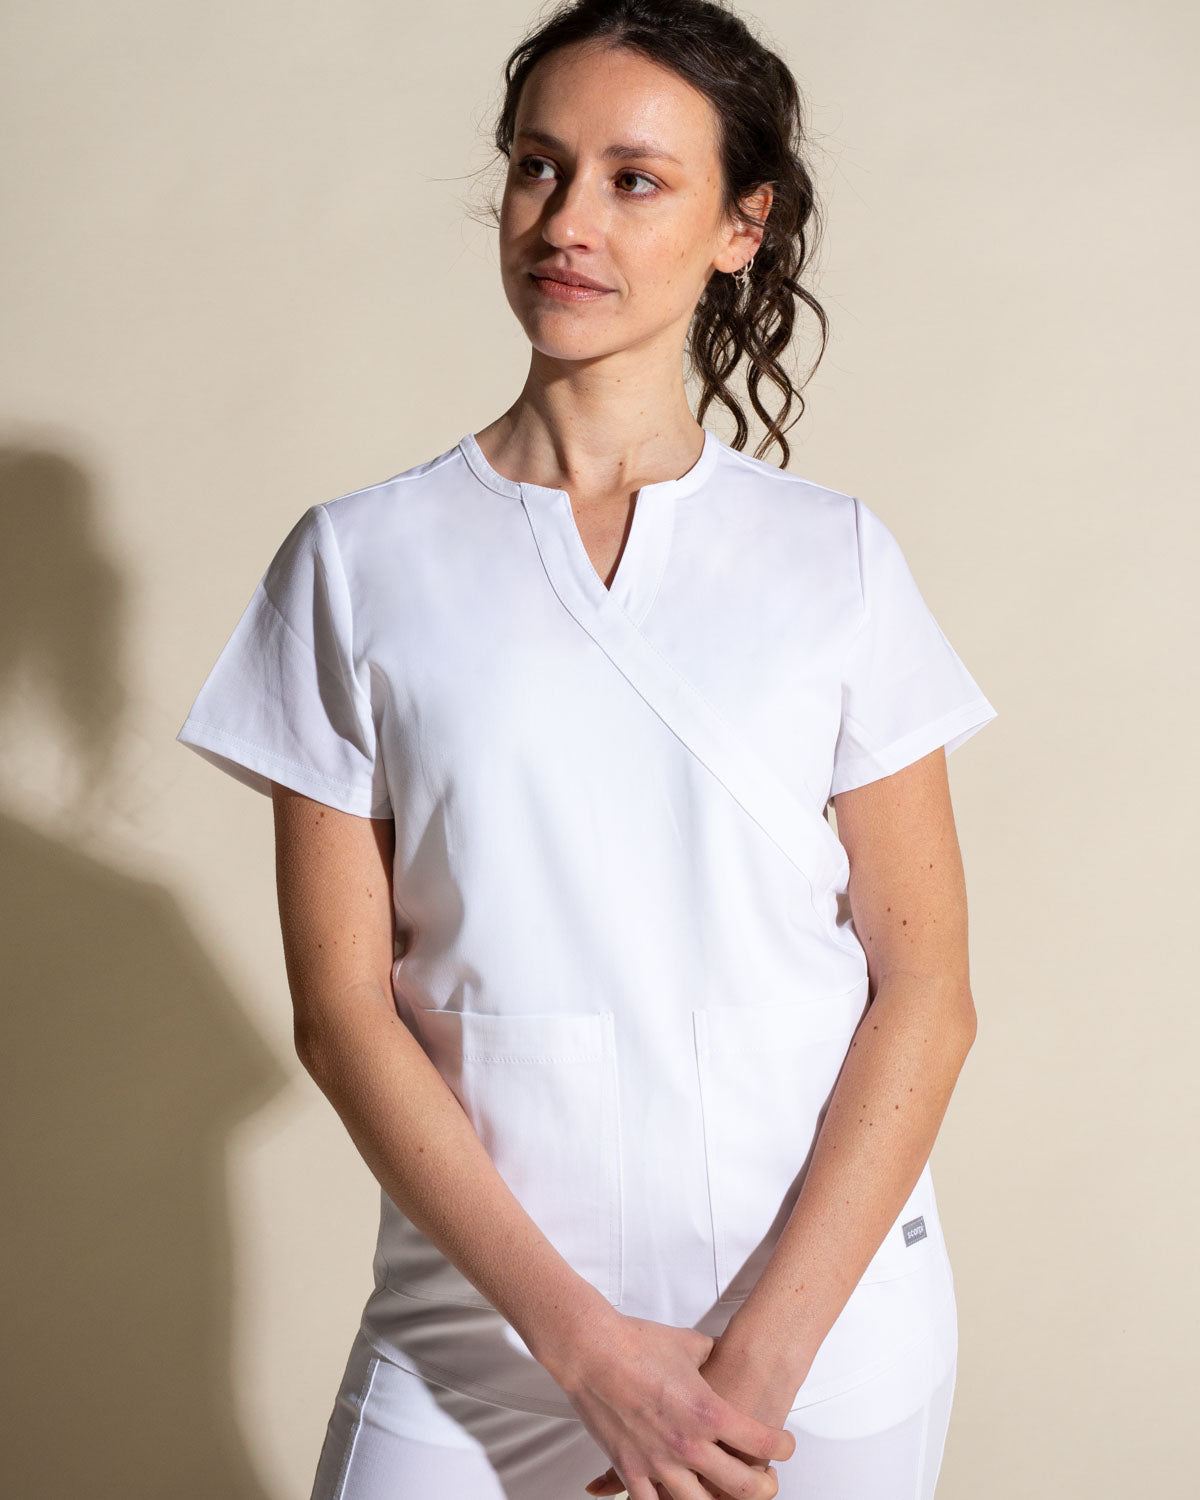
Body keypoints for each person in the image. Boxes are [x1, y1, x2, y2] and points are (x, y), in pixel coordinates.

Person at [176, 2, 998, 1496]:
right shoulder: (358, 562)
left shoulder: (835, 562)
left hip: (822, 1342)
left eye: (635, 179)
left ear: (741, 226)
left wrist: (748, 1379)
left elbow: (926, 992)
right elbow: (343, 1013)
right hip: (482, 1338)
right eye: (539, 166)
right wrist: (597, 1360)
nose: (565, 220)